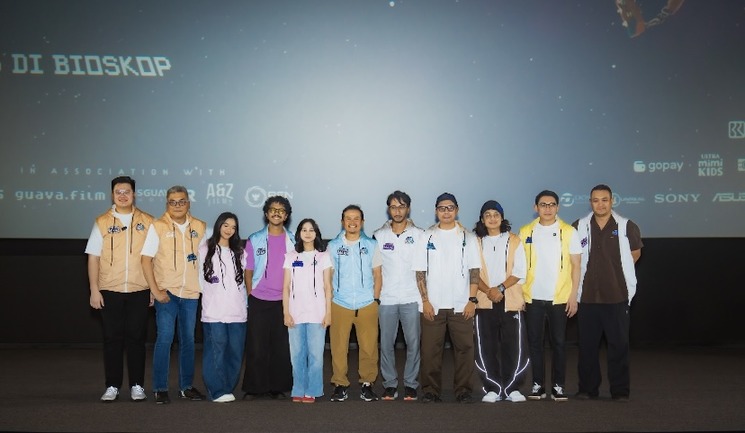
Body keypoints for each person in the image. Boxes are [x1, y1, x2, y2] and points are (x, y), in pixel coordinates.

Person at [85, 176, 154, 402]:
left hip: (139, 289)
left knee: (137, 338)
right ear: (112, 195)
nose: (123, 195)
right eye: (118, 192)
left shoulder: (148, 221)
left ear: (134, 194)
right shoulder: (102, 222)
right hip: (109, 289)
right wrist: (94, 289)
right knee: (111, 339)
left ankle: (137, 385)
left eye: (127, 191)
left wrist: (153, 289)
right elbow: (93, 258)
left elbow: (154, 259)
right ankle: (112, 385)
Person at [572, 184, 643, 401]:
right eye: (595, 200)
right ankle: (587, 389)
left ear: (612, 201)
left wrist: (614, 272)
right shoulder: (579, 226)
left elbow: (635, 253)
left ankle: (620, 391)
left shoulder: (626, 226)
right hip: (587, 297)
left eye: (604, 200)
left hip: (617, 296)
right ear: (590, 202)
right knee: (587, 347)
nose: (600, 204)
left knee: (618, 346)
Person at [141, 185, 207, 404]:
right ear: (167, 204)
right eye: (173, 202)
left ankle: (186, 387)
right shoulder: (157, 226)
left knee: (188, 340)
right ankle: (160, 388)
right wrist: (155, 290)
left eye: (181, 201)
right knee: (165, 338)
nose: (177, 205)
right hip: (166, 294)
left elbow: (206, 259)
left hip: (191, 294)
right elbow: (146, 260)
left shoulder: (200, 226)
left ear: (188, 203)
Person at [412, 193, 480, 404]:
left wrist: (472, 300)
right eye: (442, 208)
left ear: (457, 210)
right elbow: (420, 271)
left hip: (461, 304)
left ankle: (464, 391)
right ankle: (430, 391)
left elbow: (474, 270)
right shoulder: (426, 237)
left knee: (465, 350)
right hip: (433, 305)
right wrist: (425, 301)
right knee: (430, 351)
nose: (446, 212)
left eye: (450, 208)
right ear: (436, 211)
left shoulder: (468, 237)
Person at [518, 190, 581, 402]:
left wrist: (574, 296)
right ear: (535, 207)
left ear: (558, 207)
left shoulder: (569, 231)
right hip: (532, 297)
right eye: (543, 205)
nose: (548, 208)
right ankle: (537, 385)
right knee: (535, 344)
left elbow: (576, 266)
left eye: (552, 204)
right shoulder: (525, 231)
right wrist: (520, 295)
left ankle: (558, 386)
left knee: (559, 344)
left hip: (560, 298)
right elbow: (519, 266)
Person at [473, 200, 529, 403]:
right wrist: (489, 290)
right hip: (484, 300)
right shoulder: (476, 242)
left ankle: (512, 388)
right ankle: (492, 388)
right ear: (482, 219)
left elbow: (520, 271)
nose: (492, 218)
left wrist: (500, 289)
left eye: (496, 214)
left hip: (510, 300)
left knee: (514, 346)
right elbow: (472, 272)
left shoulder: (514, 240)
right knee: (485, 347)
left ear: (502, 218)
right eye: (487, 215)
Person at [327, 205, 382, 402]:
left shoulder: (371, 245)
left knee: (369, 347)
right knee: (338, 347)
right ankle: (340, 384)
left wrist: (375, 299)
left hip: (367, 303)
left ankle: (367, 384)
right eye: (348, 218)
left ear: (362, 222)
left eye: (356, 218)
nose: (352, 222)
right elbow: (329, 275)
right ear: (342, 222)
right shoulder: (333, 245)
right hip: (340, 303)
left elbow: (377, 274)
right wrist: (330, 300)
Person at [373, 191, 424, 401]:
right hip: (387, 298)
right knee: (386, 345)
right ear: (389, 209)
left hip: (412, 297)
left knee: (414, 344)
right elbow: (375, 271)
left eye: (401, 206)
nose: (397, 211)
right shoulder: (378, 236)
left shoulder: (420, 234)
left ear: (408, 209)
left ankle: (411, 384)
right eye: (393, 207)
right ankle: (390, 385)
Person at [241, 196, 294, 400]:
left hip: (284, 301)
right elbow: (248, 271)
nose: (276, 213)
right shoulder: (254, 239)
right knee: (256, 346)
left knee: (280, 347)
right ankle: (255, 388)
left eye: (281, 210)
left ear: (286, 216)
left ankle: (277, 387)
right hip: (259, 299)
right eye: (273, 209)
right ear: (266, 213)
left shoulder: (294, 240)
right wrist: (250, 294)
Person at [198, 212, 248, 403]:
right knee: (216, 351)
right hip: (214, 312)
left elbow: (245, 281)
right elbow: (199, 279)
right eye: (226, 225)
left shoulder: (241, 252)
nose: (229, 230)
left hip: (237, 312)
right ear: (219, 225)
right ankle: (216, 390)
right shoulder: (205, 249)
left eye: (233, 227)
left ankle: (227, 388)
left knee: (235, 352)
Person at [282, 218, 333, 403]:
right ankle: (298, 388)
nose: (308, 233)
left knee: (315, 355)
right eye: (304, 229)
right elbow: (286, 287)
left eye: (311, 230)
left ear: (316, 233)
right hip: (295, 313)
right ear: (299, 233)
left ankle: (313, 390)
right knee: (297, 354)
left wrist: (328, 313)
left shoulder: (323, 256)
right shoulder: (291, 256)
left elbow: (327, 286)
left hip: (317, 313)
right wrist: (286, 312)